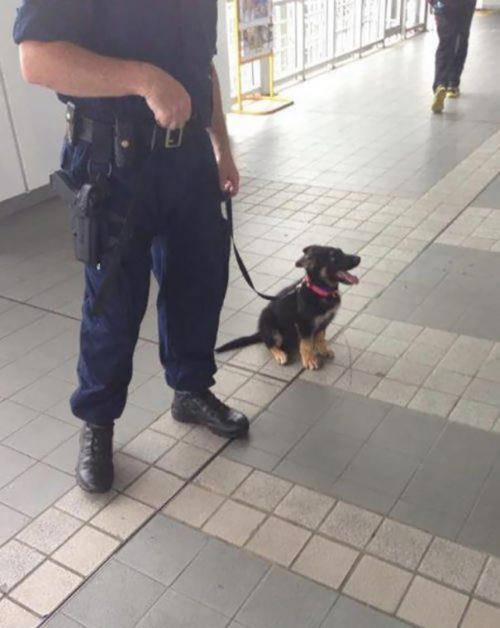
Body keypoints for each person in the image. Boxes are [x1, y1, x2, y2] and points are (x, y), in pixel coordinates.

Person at [13, 0, 250, 494]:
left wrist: (222, 149)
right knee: (114, 304)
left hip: (187, 160)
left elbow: (201, 68)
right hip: (111, 161)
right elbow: (37, 59)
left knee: (199, 282)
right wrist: (143, 79)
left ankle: (190, 388)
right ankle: (97, 424)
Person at [431, 0, 477, 113]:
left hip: (443, 4)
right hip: (465, 4)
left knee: (445, 43)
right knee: (461, 39)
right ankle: (453, 84)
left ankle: (440, 84)